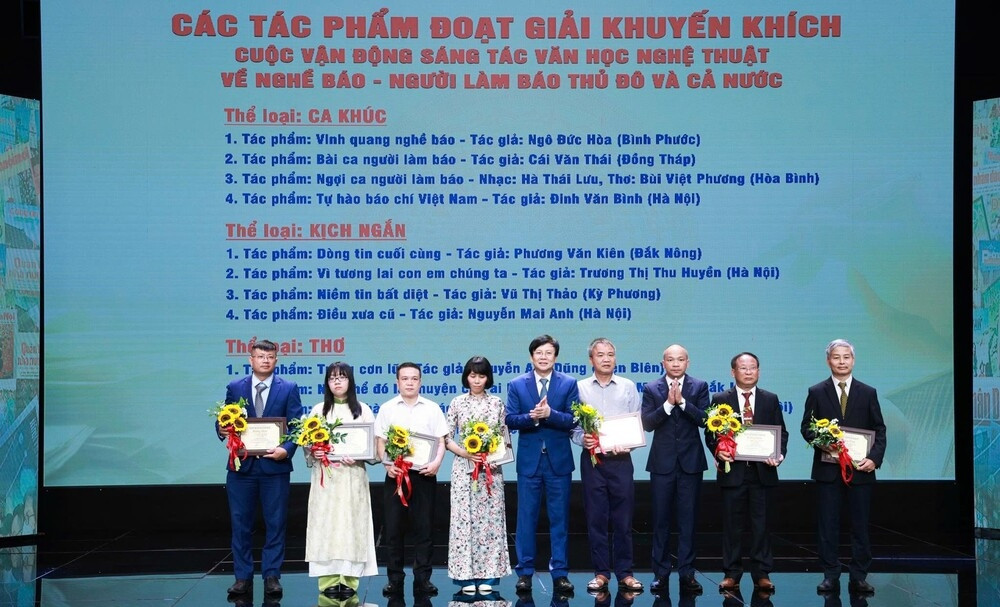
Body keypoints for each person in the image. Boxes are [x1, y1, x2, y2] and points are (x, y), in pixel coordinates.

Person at [801, 339, 887, 596]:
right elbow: (806, 428)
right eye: (836, 357)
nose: (841, 361)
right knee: (828, 525)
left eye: (846, 357)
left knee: (860, 526)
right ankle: (830, 575)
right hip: (828, 471)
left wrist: (874, 459)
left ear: (853, 360)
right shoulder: (817, 391)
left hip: (861, 471)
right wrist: (823, 443)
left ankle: (859, 576)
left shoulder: (868, 392)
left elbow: (879, 429)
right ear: (828, 360)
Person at [219, 339, 302, 597]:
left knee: (276, 523)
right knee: (240, 523)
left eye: (270, 357)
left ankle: (272, 575)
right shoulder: (235, 387)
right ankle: (242, 577)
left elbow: (297, 426)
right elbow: (224, 419)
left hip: (275, 469)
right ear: (251, 359)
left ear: (276, 360)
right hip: (241, 468)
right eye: (260, 356)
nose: (265, 361)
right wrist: (222, 430)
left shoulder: (289, 388)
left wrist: (286, 449)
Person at [705, 352, 788, 594]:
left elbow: (781, 433)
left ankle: (762, 573)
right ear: (733, 372)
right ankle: (731, 574)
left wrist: (779, 455)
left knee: (761, 525)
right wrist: (718, 451)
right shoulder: (720, 399)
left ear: (759, 371)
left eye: (753, 367)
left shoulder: (770, 399)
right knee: (732, 526)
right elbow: (711, 433)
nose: (748, 371)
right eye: (743, 368)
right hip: (734, 472)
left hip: (763, 473)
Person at [505, 334, 579, 596]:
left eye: (548, 353)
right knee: (526, 519)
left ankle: (560, 573)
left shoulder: (569, 383)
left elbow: (573, 419)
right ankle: (525, 572)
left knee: (559, 519)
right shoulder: (517, 384)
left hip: (559, 462)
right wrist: (533, 417)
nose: (544, 357)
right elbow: (510, 420)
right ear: (531, 356)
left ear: (555, 357)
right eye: (539, 353)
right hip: (530, 462)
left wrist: (551, 414)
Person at [572, 338, 644, 595]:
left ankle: (625, 573)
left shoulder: (628, 386)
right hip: (593, 461)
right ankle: (601, 573)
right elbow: (573, 426)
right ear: (591, 359)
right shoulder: (579, 388)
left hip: (621, 461)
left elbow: (636, 421)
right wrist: (583, 438)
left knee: (623, 520)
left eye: (610, 354)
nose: (606, 359)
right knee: (596, 518)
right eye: (600, 354)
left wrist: (630, 444)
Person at [375, 362, 449, 597]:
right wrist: (387, 465)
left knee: (424, 529)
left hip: (424, 476)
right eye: (405, 378)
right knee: (393, 530)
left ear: (420, 382)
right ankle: (394, 579)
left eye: (414, 379)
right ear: (397, 382)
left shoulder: (432, 408)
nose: (409, 383)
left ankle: (423, 579)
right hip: (396, 476)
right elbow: (380, 441)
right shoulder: (387, 408)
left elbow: (441, 441)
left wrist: (437, 463)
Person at [304, 362, 378, 599]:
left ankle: (349, 579)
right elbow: (308, 445)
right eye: (332, 378)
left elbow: (374, 450)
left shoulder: (363, 410)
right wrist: (314, 451)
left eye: (342, 377)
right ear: (327, 383)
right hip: (326, 478)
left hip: (352, 477)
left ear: (350, 381)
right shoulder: (318, 411)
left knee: (351, 525)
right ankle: (328, 579)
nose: (337, 381)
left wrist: (360, 455)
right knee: (325, 525)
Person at [640, 344, 708, 595]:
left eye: (680, 359)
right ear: (663, 363)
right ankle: (660, 573)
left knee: (688, 521)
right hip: (662, 464)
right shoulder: (651, 388)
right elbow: (647, 423)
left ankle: (687, 573)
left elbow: (705, 420)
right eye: (671, 359)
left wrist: (683, 403)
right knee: (661, 521)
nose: (676, 363)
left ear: (687, 362)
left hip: (691, 463)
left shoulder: (699, 386)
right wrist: (668, 404)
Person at [444, 356, 512, 594]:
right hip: (464, 470)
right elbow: (447, 437)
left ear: (488, 378)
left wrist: (494, 457)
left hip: (491, 471)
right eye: (472, 375)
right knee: (463, 523)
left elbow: (504, 437)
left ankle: (489, 577)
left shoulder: (497, 403)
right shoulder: (457, 403)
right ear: (466, 377)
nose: (476, 380)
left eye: (481, 376)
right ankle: (465, 578)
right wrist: (465, 452)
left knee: (491, 523)